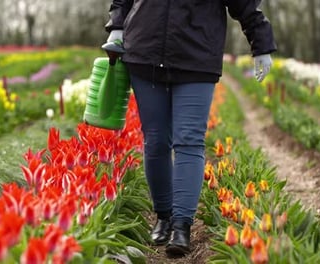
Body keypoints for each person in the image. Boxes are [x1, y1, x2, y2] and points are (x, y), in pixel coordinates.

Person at [104, 0, 276, 258]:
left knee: (189, 141)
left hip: (196, 54)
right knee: (156, 141)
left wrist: (260, 42)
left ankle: (181, 226)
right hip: (144, 51)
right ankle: (163, 216)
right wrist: (117, 25)